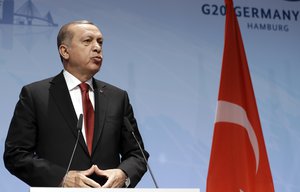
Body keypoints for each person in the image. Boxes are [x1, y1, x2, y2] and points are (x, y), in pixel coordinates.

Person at [3, 20, 149, 188]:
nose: (97, 47)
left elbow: (137, 154)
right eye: (88, 41)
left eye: (100, 42)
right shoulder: (36, 95)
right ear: (65, 51)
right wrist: (62, 178)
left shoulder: (117, 97)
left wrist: (123, 174)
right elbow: (15, 155)